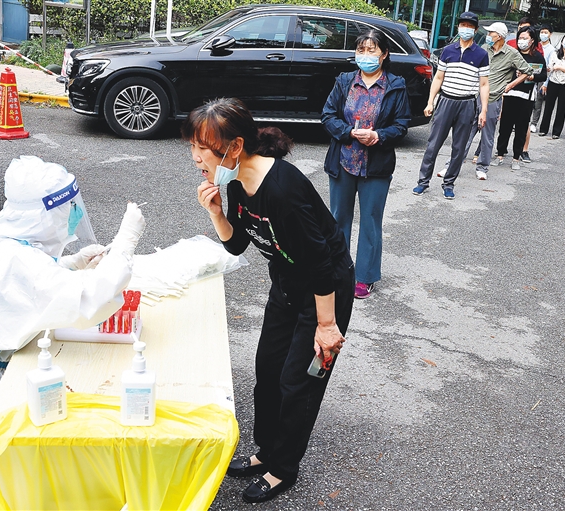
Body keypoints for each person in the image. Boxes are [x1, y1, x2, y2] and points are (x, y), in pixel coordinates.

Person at [0, 156, 146, 461]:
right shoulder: (20, 261)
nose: (74, 214)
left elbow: (24, 287)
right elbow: (89, 299)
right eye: (67, 208)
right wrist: (126, 243)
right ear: (44, 215)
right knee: (69, 439)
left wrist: (71, 263)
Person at [185, 98, 354, 503]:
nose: (195, 158)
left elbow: (320, 261)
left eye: (202, 149)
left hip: (324, 290)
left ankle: (283, 468)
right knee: (268, 371)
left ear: (235, 147)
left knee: (298, 383)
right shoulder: (236, 183)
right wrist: (216, 213)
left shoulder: (282, 190)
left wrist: (326, 325)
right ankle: (266, 452)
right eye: (192, 147)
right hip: (287, 286)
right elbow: (238, 244)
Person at [321, 30, 410, 300]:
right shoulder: (345, 81)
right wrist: (348, 132)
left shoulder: (395, 85)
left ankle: (365, 276)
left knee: (371, 220)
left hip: (376, 165)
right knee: (338, 218)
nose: (366, 56)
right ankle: (339, 271)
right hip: (344, 160)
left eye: (372, 50)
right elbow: (328, 115)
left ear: (384, 54)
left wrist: (379, 136)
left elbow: (402, 124)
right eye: (361, 50)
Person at [413, 11, 489, 199]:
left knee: (459, 148)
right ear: (458, 27)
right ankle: (423, 182)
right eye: (463, 25)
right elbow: (438, 78)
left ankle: (449, 184)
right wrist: (430, 102)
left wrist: (483, 111)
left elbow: (484, 84)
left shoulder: (481, 55)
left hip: (467, 104)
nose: (466, 29)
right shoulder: (448, 51)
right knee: (433, 144)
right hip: (446, 101)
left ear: (475, 30)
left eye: (470, 26)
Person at [450, 21, 532, 179]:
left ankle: (482, 167)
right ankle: (453, 164)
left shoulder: (511, 54)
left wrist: (510, 85)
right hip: (474, 96)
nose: (488, 36)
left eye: (490, 33)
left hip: (493, 98)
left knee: (487, 136)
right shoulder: (483, 49)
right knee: (465, 132)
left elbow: (527, 71)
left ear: (499, 36)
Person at [495, 26, 547, 170]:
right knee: (505, 127)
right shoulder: (513, 53)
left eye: (525, 38)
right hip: (509, 94)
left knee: (521, 128)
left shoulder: (537, 57)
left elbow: (543, 75)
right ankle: (500, 154)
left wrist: (532, 77)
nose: (522, 41)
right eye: (520, 38)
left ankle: (516, 158)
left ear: (532, 40)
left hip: (526, 97)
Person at [538, 34, 565, 139]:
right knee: (548, 107)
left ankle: (556, 131)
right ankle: (543, 129)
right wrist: (549, 69)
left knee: (561, 108)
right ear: (562, 41)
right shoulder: (555, 53)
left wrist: (559, 67)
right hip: (553, 82)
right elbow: (550, 67)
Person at [530, 24, 556, 133]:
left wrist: (546, 84)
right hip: (530, 75)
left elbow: (550, 68)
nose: (543, 34)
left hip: (542, 78)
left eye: (546, 32)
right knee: (528, 99)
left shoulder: (552, 50)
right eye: (542, 32)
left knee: (538, 101)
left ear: (550, 34)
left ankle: (534, 123)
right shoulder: (534, 45)